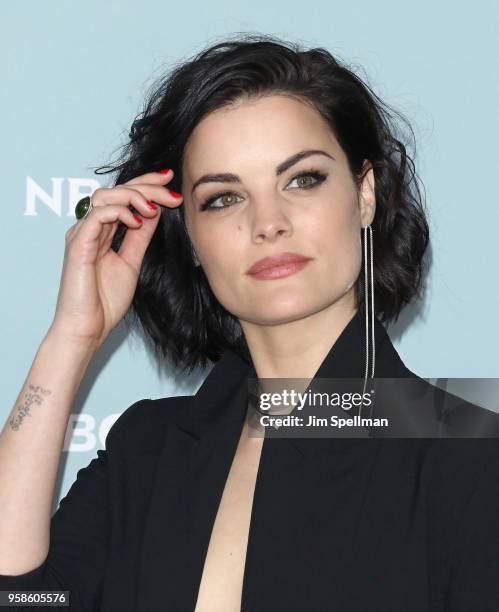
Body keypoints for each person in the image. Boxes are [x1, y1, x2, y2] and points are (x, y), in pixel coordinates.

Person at [1, 33, 498, 612]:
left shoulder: (470, 457)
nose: (269, 223)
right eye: (223, 198)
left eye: (302, 179)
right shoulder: (148, 449)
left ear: (364, 195)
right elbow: (22, 596)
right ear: (187, 235)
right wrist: (72, 337)